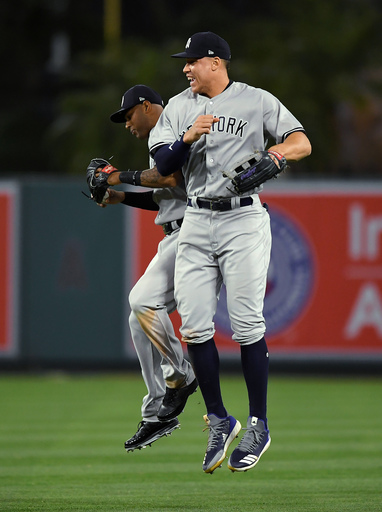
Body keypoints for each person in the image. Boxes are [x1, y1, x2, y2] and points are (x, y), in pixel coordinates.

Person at [148, 32, 312, 473]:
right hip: (196, 218)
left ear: (215, 62)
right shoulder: (179, 107)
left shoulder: (255, 100)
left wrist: (276, 155)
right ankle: (220, 419)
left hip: (243, 219)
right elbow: (163, 166)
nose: (185, 68)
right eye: (184, 62)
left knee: (245, 323)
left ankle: (259, 424)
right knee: (196, 326)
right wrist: (186, 138)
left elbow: (301, 141)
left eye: (192, 60)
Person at [97, 84, 197, 452]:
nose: (126, 124)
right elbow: (165, 196)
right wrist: (122, 195)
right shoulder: (163, 134)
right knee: (137, 319)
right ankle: (158, 412)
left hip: (195, 232)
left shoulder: (168, 128)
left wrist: (119, 175)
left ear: (146, 106)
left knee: (140, 300)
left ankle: (181, 376)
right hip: (176, 230)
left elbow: (169, 178)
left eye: (128, 115)